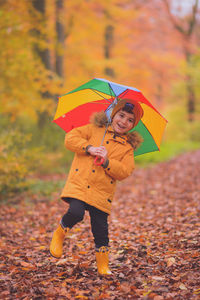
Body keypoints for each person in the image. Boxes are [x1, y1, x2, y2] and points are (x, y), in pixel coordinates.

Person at [50, 98, 144, 275]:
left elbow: (124, 171)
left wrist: (107, 162)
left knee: (100, 229)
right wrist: (89, 148)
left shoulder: (127, 148)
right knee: (76, 212)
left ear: (133, 125)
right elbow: (70, 138)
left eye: (130, 120)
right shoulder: (94, 129)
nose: (123, 121)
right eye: (121, 115)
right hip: (80, 183)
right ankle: (60, 233)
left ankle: (103, 265)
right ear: (113, 115)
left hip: (102, 192)